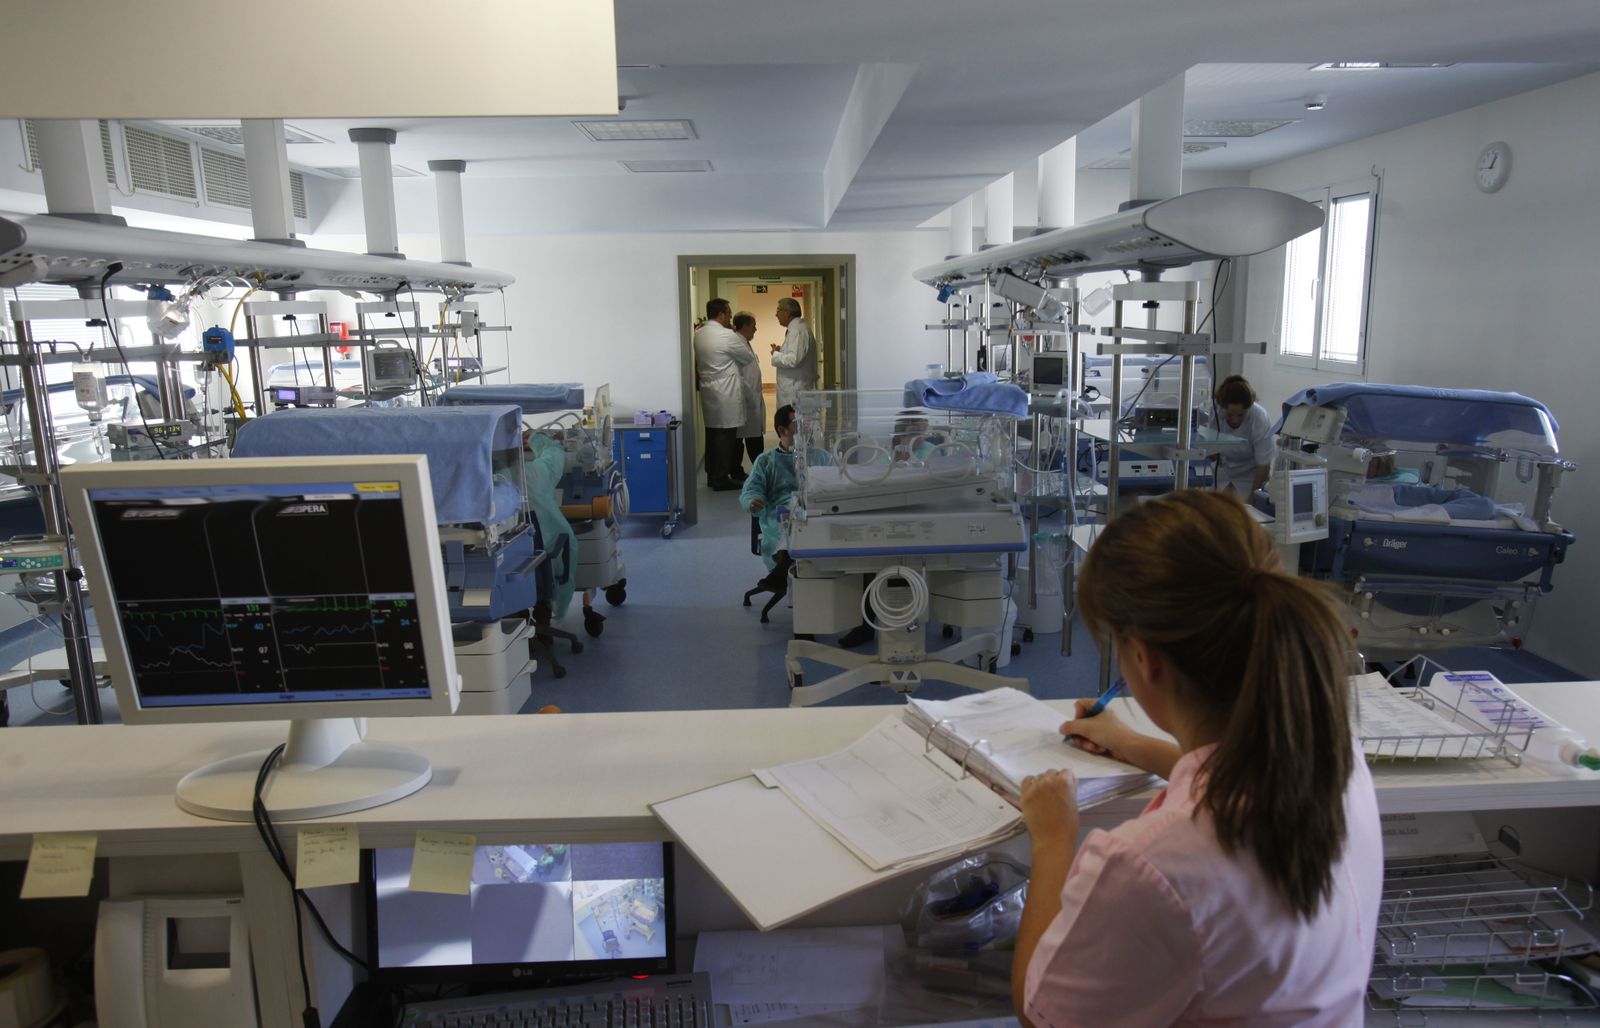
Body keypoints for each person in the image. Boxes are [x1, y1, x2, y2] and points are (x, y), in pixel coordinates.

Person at [1013, 489, 1380, 1027]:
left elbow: (1041, 1013)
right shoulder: (1332, 751)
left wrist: (1053, 840)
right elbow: (1235, 769)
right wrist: (1135, 745)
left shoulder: (1148, 864)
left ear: (1144, 658)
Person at [693, 298, 756, 491]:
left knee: (712, 434)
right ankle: (722, 479)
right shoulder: (726, 336)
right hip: (726, 390)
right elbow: (747, 357)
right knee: (726, 437)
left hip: (709, 389)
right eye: (728, 314)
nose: (730, 317)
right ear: (720, 315)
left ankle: (713, 475)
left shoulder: (699, 333)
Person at [739, 404, 798, 572]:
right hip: (779, 518)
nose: (805, 428)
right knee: (790, 537)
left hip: (814, 514)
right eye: (797, 423)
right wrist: (752, 501)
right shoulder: (766, 461)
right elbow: (751, 489)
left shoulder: (821, 457)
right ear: (783, 429)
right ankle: (784, 565)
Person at [1207, 374, 1275, 496]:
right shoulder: (1214, 410)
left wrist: (1252, 500)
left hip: (1250, 476)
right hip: (1222, 472)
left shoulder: (1259, 419)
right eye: (1230, 415)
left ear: (1249, 408)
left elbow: (1263, 465)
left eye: (1241, 415)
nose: (1235, 420)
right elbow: (1210, 452)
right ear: (1222, 408)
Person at [733, 311, 767, 470]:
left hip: (751, 398)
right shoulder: (737, 343)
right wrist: (749, 394)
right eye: (753, 326)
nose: (756, 329)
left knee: (752, 438)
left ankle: (756, 470)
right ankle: (741, 471)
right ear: (745, 326)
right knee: (743, 439)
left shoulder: (744, 342)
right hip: (745, 398)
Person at [769, 297, 817, 410]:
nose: (776, 315)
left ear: (787, 313)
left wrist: (775, 354)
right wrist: (782, 351)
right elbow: (796, 354)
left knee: (794, 424)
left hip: (795, 391)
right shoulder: (796, 329)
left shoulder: (797, 330)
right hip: (795, 388)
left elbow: (793, 360)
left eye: (778, 310)